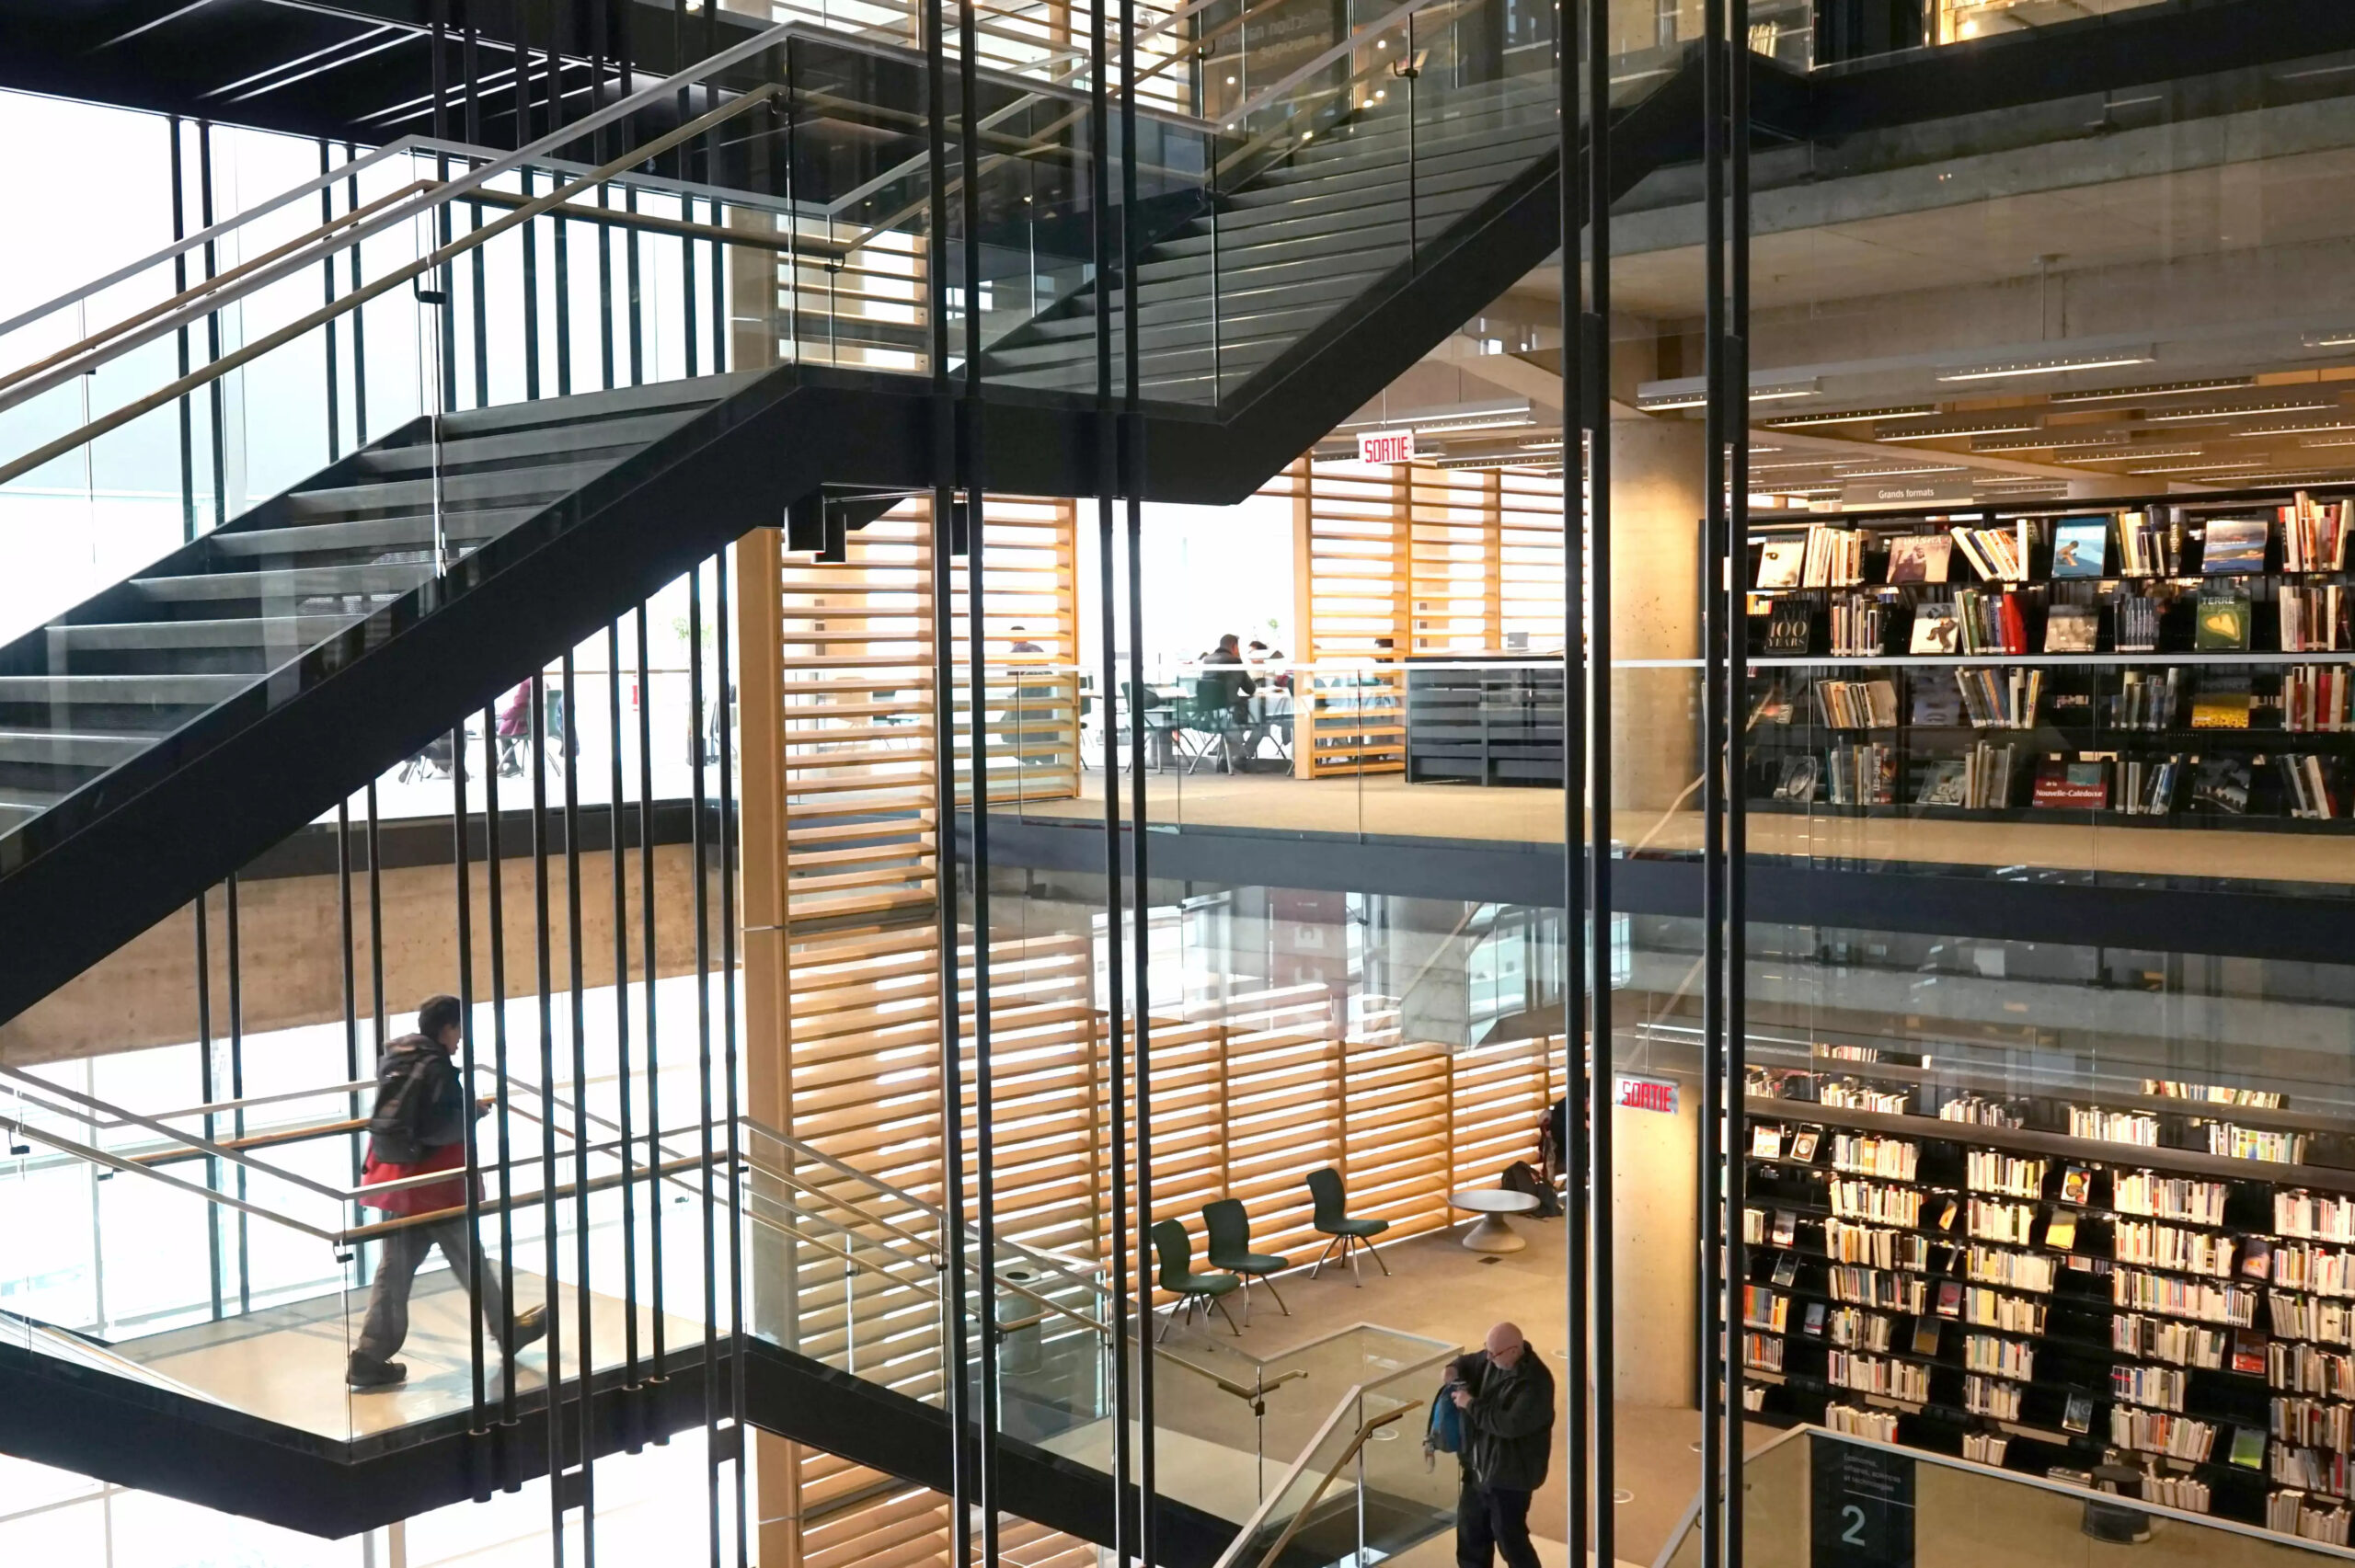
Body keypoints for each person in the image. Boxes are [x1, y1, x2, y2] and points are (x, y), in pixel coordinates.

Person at [347, 995, 546, 1390]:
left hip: (402, 1182)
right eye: (459, 1030)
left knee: (396, 1269)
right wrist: (472, 1113)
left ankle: (369, 1356)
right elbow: (437, 1128)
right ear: (447, 1028)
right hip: (434, 1186)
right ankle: (508, 1331)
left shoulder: (400, 1059)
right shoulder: (437, 1066)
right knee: (468, 1259)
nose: (460, 1040)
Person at [1446, 1321, 1555, 1568]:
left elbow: (1508, 1425)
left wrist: (1470, 1404)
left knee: (1511, 1541)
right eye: (1487, 1349)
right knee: (1470, 1538)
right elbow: (1469, 1361)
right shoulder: (1492, 1359)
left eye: (1492, 1353)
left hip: (1510, 1478)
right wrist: (1452, 1368)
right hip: (1478, 1471)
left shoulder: (1536, 1383)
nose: (1487, 1357)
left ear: (1514, 1352)